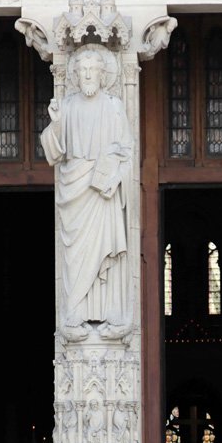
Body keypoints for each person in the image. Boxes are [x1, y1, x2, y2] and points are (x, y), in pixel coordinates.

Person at [40, 46, 133, 341]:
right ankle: (75, 314)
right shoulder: (66, 106)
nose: (88, 75)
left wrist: (113, 175)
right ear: (76, 76)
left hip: (102, 191)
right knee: (75, 256)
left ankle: (110, 314)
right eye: (82, 71)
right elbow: (53, 153)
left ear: (104, 74)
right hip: (74, 192)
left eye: (93, 70)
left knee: (107, 252)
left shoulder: (114, 106)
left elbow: (127, 151)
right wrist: (55, 123)